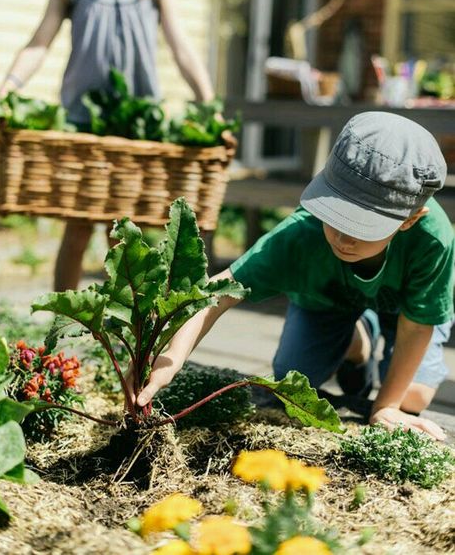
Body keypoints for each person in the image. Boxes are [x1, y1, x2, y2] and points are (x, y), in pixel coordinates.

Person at [135, 112, 455, 441]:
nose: (344, 238)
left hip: (407, 311)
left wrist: (385, 407)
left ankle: (367, 338)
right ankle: (359, 341)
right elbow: (217, 292)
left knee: (413, 396)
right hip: (327, 300)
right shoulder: (301, 234)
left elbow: (417, 326)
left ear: (410, 220)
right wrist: (170, 358)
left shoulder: (432, 241)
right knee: (292, 377)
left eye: (363, 227)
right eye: (338, 216)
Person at [0, 0, 215, 291]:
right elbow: (39, 43)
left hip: (138, 125)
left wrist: (208, 103)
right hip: (84, 121)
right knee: (77, 227)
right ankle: (66, 322)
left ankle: (121, 331)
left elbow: (183, 48)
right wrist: (7, 89)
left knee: (125, 236)